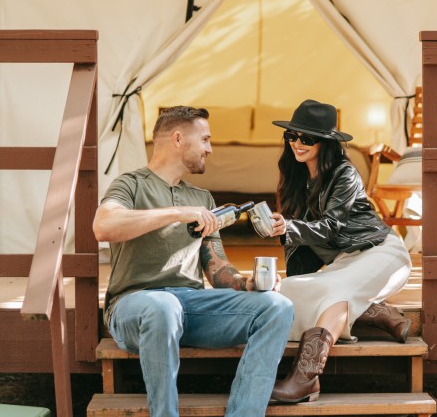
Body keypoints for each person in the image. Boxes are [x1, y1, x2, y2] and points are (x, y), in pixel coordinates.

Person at [93, 105, 294, 417]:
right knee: (163, 306)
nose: (210, 149)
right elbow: (104, 227)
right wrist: (176, 213)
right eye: (205, 140)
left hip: (191, 307)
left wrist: (247, 283)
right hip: (134, 307)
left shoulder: (203, 199)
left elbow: (217, 268)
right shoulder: (130, 184)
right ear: (177, 139)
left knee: (278, 307)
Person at [264, 99, 413, 404]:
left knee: (334, 289)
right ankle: (376, 311)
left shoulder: (344, 174)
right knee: (290, 289)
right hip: (345, 262)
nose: (297, 143)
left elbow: (331, 227)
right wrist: (298, 281)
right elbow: (299, 245)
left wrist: (289, 227)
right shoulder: (294, 179)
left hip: (381, 252)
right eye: (292, 136)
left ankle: (306, 378)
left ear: (326, 143)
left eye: (307, 138)